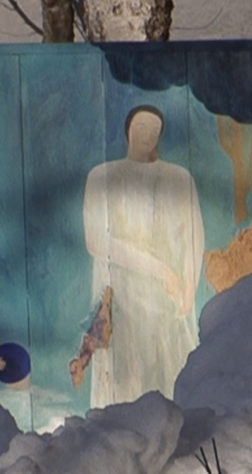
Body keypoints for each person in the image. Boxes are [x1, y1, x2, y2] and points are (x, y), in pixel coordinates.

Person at [82, 105, 204, 407]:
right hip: (121, 294)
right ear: (128, 130)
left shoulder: (179, 177)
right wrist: (161, 270)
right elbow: (98, 241)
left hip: (166, 300)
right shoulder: (103, 176)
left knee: (169, 376)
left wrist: (189, 286)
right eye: (141, 127)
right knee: (124, 378)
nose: (147, 134)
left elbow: (193, 237)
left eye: (154, 129)